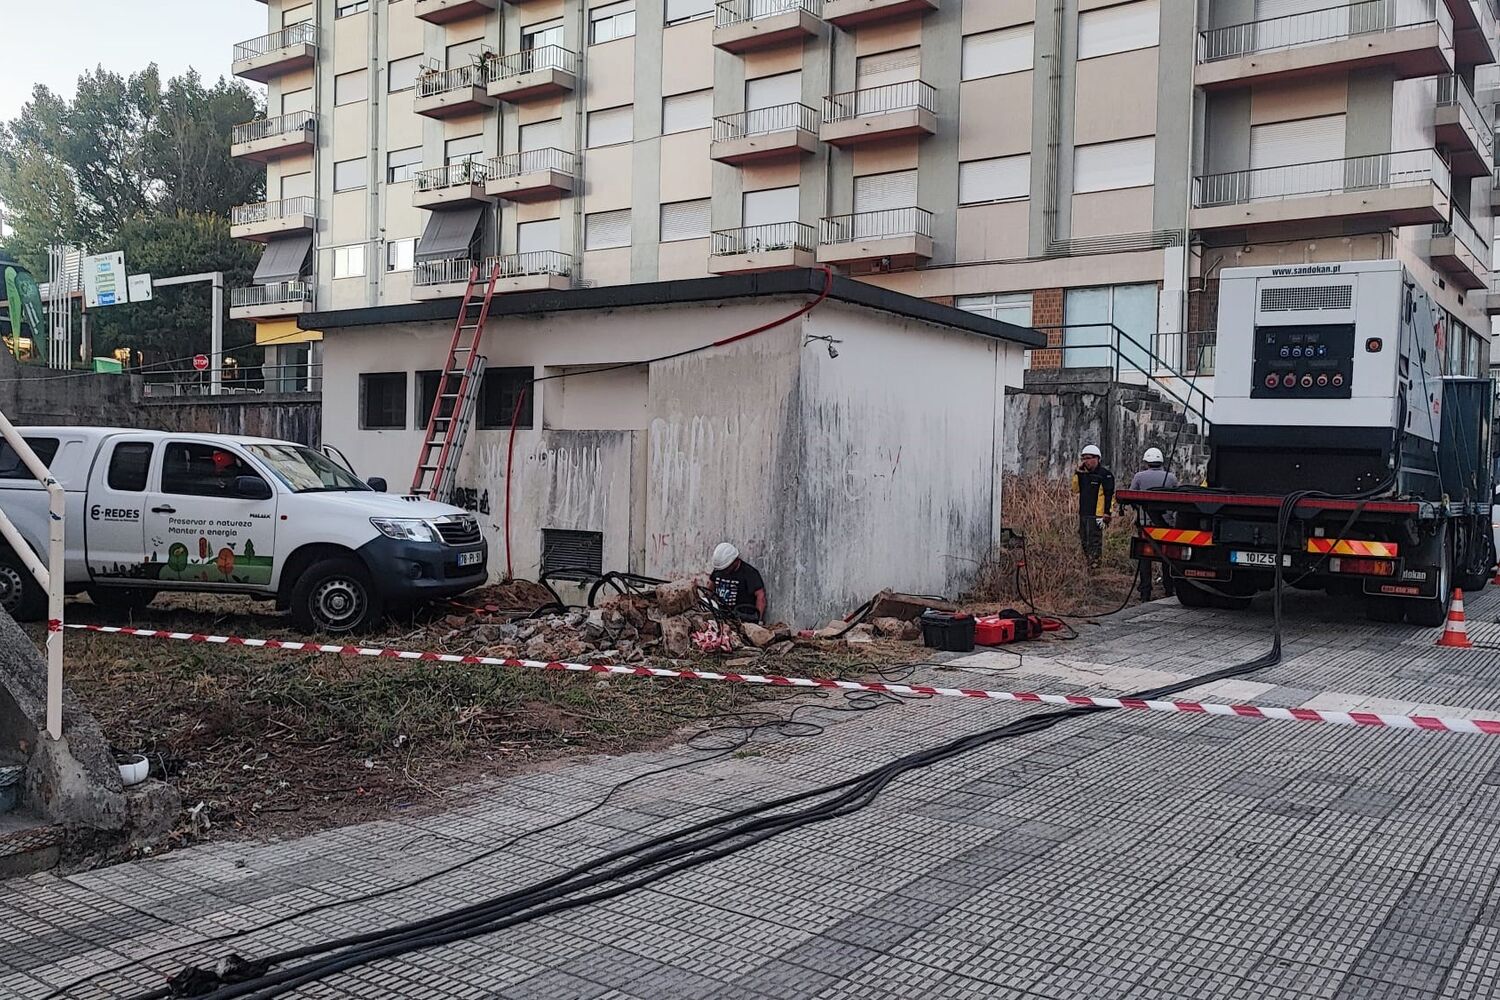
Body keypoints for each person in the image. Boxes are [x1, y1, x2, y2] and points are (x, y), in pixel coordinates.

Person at [1126, 447, 1178, 601]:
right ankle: (1169, 589)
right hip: (1166, 524)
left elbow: (1131, 496)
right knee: (1168, 556)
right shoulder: (1171, 478)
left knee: (1145, 558)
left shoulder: (1139, 476)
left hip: (1146, 524)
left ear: (1146, 461)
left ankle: (1145, 592)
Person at [1071, 444, 1115, 569]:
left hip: (1097, 514)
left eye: (1088, 458)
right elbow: (1075, 489)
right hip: (1084, 512)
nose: (1085, 461)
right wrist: (1077, 474)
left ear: (1097, 458)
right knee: (1084, 540)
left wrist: (1107, 513)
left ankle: (1095, 565)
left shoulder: (1105, 475)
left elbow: (1109, 495)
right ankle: (1088, 563)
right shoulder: (1082, 474)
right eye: (1083, 458)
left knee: (1094, 541)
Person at [710, 542, 767, 622]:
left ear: (734, 561)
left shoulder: (749, 573)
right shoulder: (719, 570)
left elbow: (761, 597)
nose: (724, 571)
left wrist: (758, 620)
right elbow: (710, 587)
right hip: (720, 614)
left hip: (741, 618)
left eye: (726, 568)